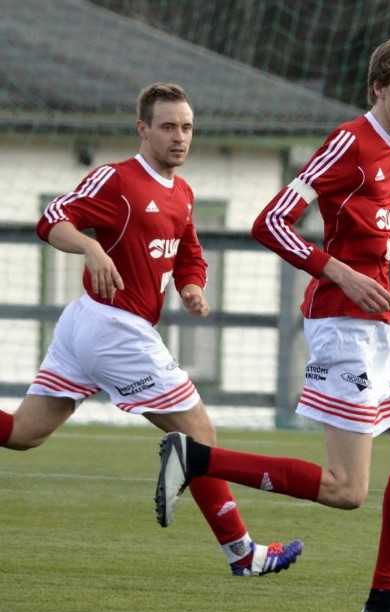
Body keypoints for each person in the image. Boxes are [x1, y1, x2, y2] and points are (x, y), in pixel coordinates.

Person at [154, 34, 390, 612]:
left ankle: (385, 603)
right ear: (378, 89)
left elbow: (384, 221)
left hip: (379, 322)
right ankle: (196, 456)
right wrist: (339, 270)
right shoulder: (348, 142)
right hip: (342, 322)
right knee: (346, 489)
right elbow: (269, 222)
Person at [0, 83, 303, 577]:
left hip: (90, 326)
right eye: (167, 127)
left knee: (23, 434)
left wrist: (192, 287)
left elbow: (189, 255)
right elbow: (52, 219)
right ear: (143, 129)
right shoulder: (117, 180)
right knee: (200, 435)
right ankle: (243, 553)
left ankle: (241, 551)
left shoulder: (182, 193)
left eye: (186, 127)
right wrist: (90, 248)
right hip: (113, 328)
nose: (179, 137)